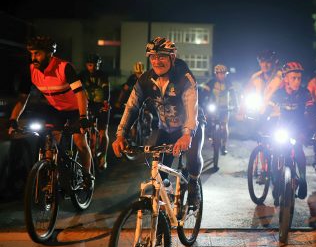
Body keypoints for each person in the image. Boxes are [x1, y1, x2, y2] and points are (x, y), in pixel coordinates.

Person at [112, 37, 204, 208]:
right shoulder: (146, 79)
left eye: (161, 56)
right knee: (159, 173)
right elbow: (131, 106)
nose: (156, 61)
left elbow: (192, 107)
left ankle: (193, 184)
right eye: (152, 57)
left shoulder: (185, 78)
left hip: (191, 126)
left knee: (192, 159)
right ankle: (165, 203)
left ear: (172, 57)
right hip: (166, 129)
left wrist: (187, 135)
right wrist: (120, 135)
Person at [8, 35, 93, 188]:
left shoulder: (64, 67)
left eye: (37, 53)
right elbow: (22, 99)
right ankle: (51, 181)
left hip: (76, 109)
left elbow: (81, 94)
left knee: (80, 142)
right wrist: (13, 120)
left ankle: (87, 175)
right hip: (56, 110)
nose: (33, 58)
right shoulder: (31, 71)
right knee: (50, 144)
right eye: (32, 54)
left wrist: (83, 117)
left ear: (49, 53)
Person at [267, 61, 314, 203]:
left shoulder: (305, 94)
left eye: (299, 78)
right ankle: (275, 183)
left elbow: (311, 114)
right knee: (276, 152)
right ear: (286, 78)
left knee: (298, 150)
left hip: (299, 129)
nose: (297, 81)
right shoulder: (279, 93)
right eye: (293, 78)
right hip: (282, 128)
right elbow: (269, 110)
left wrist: (309, 132)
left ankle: (303, 181)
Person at [199, 63, 238, 155]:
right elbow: (204, 94)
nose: (221, 75)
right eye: (219, 73)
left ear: (226, 74)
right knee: (206, 120)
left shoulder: (228, 83)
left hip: (225, 108)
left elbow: (233, 95)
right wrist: (201, 104)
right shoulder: (211, 82)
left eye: (223, 73)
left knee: (224, 126)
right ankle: (210, 136)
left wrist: (236, 106)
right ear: (216, 74)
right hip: (213, 107)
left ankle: (224, 146)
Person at [80, 53, 110, 170]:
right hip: (90, 104)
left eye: (94, 65)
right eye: (89, 65)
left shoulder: (103, 75)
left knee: (103, 132)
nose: (92, 67)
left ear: (98, 65)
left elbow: (106, 91)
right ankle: (90, 148)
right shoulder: (83, 74)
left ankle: (103, 156)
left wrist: (106, 103)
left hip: (102, 104)